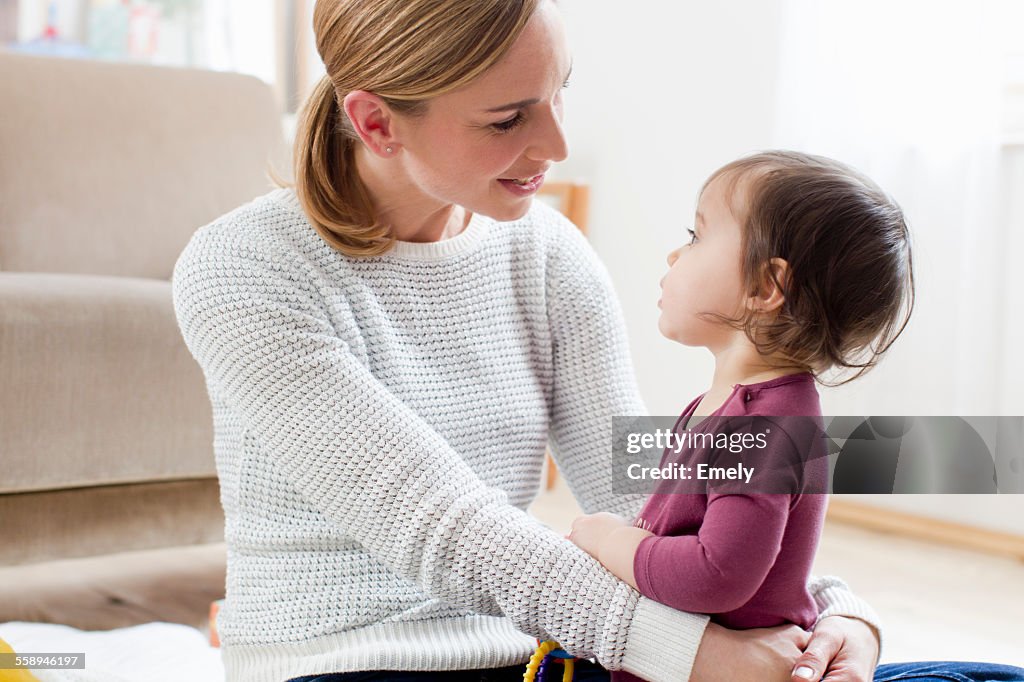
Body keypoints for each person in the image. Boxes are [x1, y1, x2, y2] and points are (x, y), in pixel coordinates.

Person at [170, 1, 1023, 681]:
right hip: (347, 661)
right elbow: (444, 526)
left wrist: (830, 616)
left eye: (558, 94)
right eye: (508, 119)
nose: (558, 147)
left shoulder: (545, 253)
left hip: (548, 650)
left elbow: (649, 500)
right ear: (378, 122)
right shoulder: (246, 270)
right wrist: (700, 660)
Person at [567, 151, 911, 678]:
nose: (673, 255)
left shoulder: (760, 425)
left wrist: (611, 540)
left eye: (697, 236)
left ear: (765, 288)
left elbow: (715, 574)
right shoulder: (738, 406)